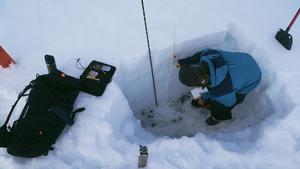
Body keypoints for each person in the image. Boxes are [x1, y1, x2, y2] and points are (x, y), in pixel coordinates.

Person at [178, 49, 262, 125]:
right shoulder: (207, 55)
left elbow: (229, 102)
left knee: (232, 100)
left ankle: (217, 118)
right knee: (211, 87)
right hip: (244, 59)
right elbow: (200, 54)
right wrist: (185, 62)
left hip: (253, 78)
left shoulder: (224, 87)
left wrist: (208, 96)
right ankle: (203, 97)